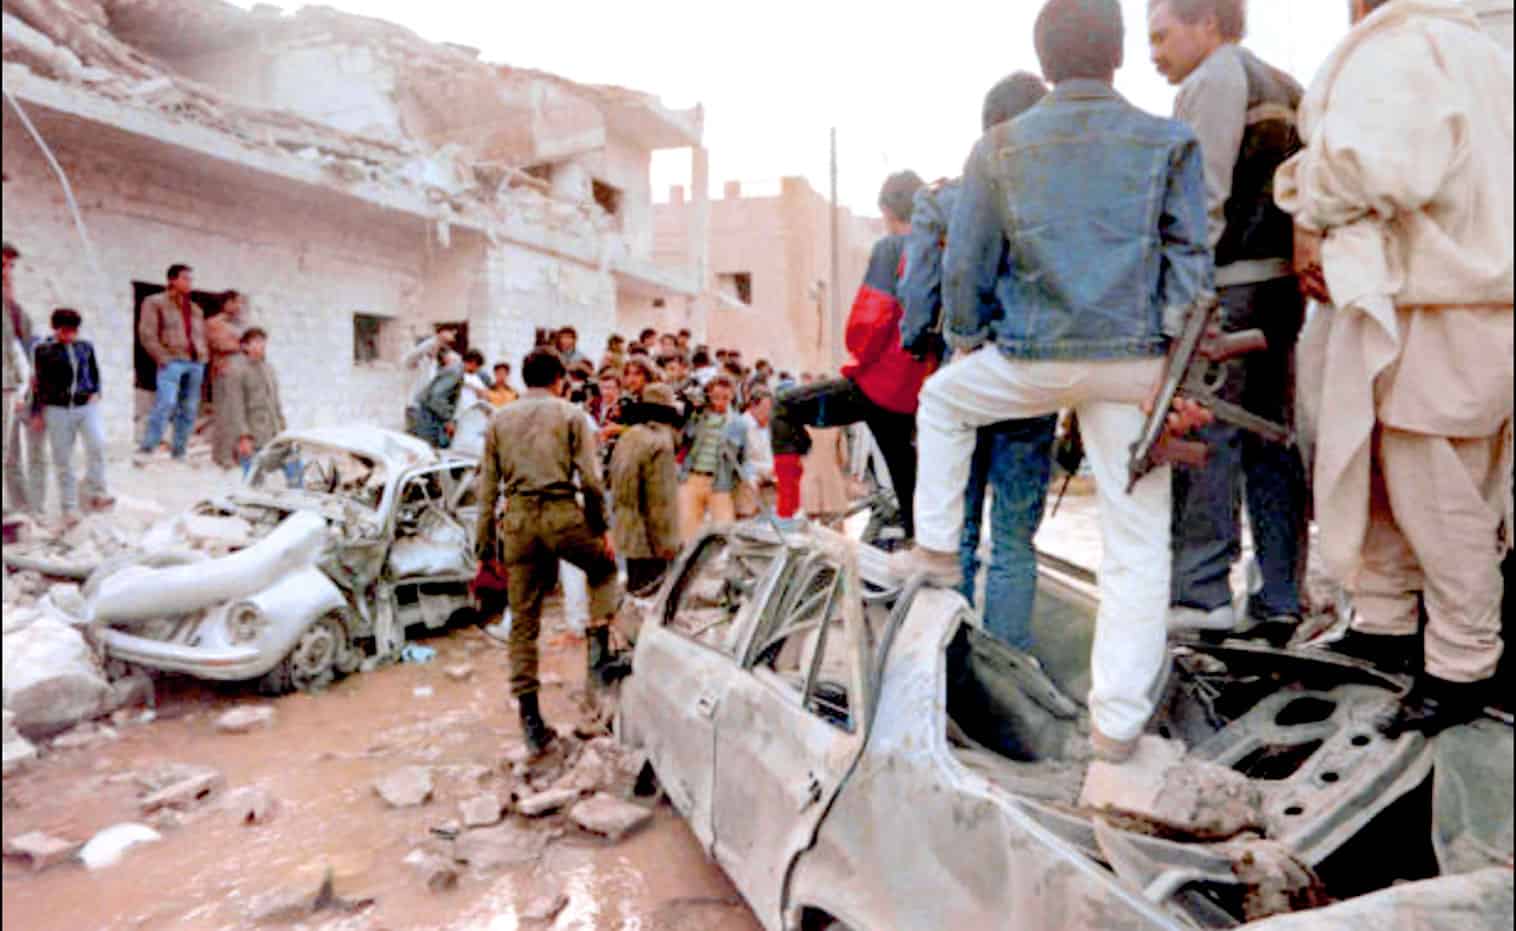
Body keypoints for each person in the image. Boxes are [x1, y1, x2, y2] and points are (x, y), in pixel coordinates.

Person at [890, 0, 1211, 767]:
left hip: (1031, 353)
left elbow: (966, 268)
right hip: (1134, 360)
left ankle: (934, 553)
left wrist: (968, 342)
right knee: (1134, 546)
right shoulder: (1170, 140)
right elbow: (1189, 264)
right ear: (1120, 54)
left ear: (1043, 64)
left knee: (941, 402)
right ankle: (1115, 729)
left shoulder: (998, 148)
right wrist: (1175, 370)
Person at [1274, 0, 1513, 736]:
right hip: (1470, 302)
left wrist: (1301, 198)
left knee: (1436, 493)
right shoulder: (1489, 55)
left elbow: (1367, 167)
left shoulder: (1407, 49)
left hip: (1435, 307)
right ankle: (1384, 620)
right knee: (1384, 469)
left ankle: (1462, 663)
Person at [1147, 0, 1309, 642]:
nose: (1154, 53)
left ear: (1207, 23)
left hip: (1226, 289)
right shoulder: (1286, 85)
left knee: (1208, 435)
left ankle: (1202, 592)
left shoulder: (1213, 79)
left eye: (1162, 36)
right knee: (1272, 439)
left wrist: (1174, 306)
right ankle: (1280, 595)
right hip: (1279, 289)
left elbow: (1201, 204)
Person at [899, 71, 1058, 650]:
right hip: (1034, 370)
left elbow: (920, 292)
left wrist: (924, 339)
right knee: (1015, 539)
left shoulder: (945, 199)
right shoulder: (1056, 198)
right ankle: (1008, 668)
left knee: (957, 532)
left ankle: (952, 660)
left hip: (964, 369)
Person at [474, 348, 628, 756]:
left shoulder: (499, 419)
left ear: (525, 379)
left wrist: (484, 545)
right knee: (603, 570)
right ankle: (597, 670)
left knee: (523, 620)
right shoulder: (571, 415)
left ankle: (531, 722)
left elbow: (486, 487)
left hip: (519, 520)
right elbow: (592, 482)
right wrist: (600, 527)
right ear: (559, 378)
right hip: (562, 515)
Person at [770, 170, 931, 537]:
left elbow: (871, 319)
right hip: (912, 391)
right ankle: (923, 544)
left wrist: (856, 359)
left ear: (888, 211)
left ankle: (786, 513)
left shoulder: (891, 249)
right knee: (908, 482)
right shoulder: (938, 250)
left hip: (878, 383)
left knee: (785, 406)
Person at [33, 308, 112, 526]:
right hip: (57, 409)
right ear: (56, 329)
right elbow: (38, 382)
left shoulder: (85, 347)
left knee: (97, 444)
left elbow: (94, 372)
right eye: (65, 331)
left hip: (85, 406)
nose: (69, 336)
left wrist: (96, 391)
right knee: (63, 459)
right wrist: (37, 412)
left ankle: (97, 491)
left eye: (73, 331)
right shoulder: (44, 350)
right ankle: (68, 507)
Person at [610, 382, 683, 594]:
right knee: (652, 596)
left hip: (628, 529)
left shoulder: (630, 436)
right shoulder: (661, 443)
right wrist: (669, 544)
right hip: (653, 539)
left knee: (635, 592)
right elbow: (661, 500)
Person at [135, 263, 207, 464]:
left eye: (191, 279)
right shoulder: (155, 302)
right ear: (172, 280)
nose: (189, 283)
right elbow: (147, 333)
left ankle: (179, 450)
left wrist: (204, 358)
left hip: (195, 362)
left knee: (190, 408)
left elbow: (201, 336)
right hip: (172, 360)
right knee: (166, 402)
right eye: (185, 278)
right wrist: (162, 357)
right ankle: (149, 446)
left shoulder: (195, 309)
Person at [3, 241, 47, 517]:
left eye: (10, 267)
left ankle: (21, 511)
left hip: (8, 389)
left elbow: (32, 347)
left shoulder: (14, 311)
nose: (6, 273)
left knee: (10, 454)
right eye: (2, 265)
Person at [677, 375, 747, 540]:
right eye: (716, 397)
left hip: (720, 481)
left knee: (724, 529)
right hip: (692, 477)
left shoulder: (737, 424)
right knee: (688, 530)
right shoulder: (699, 417)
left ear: (731, 397)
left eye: (725, 397)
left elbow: (742, 456)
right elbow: (685, 438)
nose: (720, 401)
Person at [218, 327, 289, 477]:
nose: (261, 346)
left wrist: (283, 428)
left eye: (263, 342)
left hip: (273, 433)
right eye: (256, 342)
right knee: (253, 479)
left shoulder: (268, 369)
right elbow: (235, 406)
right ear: (245, 346)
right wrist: (243, 437)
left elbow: (275, 403)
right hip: (252, 435)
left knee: (292, 471)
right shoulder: (237, 371)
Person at [206, 289, 248, 469]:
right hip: (225, 370)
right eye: (236, 302)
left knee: (239, 414)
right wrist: (243, 345)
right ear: (226, 303)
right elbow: (221, 344)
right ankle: (223, 456)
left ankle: (237, 455)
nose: (239, 306)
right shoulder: (214, 323)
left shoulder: (241, 324)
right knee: (225, 414)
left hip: (242, 371)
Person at [402, 323, 459, 434]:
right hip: (416, 408)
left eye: (446, 343)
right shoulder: (425, 362)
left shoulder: (453, 366)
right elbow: (409, 360)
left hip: (436, 413)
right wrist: (435, 341)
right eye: (441, 341)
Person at [736, 387, 776, 517]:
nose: (768, 413)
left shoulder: (769, 426)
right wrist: (765, 470)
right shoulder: (741, 425)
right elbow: (740, 461)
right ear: (753, 406)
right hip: (748, 478)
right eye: (765, 409)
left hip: (768, 475)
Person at [802, 424, 850, 530]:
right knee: (836, 534)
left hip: (810, 483)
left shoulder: (803, 427)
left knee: (808, 532)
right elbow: (843, 458)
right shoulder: (837, 427)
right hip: (832, 483)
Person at [412, 350, 463, 449]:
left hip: (428, 415)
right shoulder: (454, 372)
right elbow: (436, 396)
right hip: (429, 418)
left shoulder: (448, 370)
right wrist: (448, 419)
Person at [450, 350, 494, 458]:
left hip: (475, 417)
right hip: (460, 416)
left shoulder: (477, 378)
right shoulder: (457, 374)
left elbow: (485, 395)